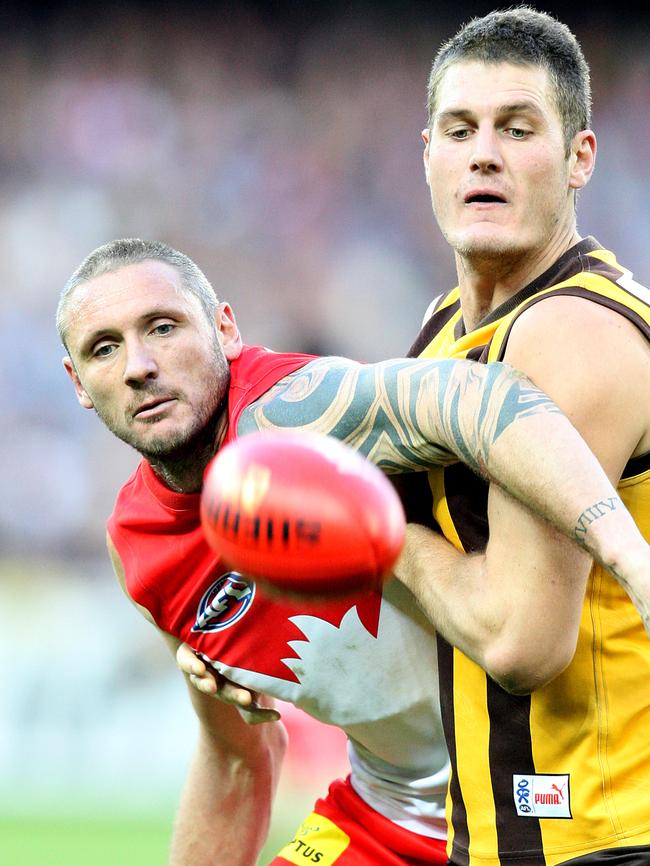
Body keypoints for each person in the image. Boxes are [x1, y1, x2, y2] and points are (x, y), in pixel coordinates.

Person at [57, 238, 648, 866]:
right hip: (385, 814)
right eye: (104, 348)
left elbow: (480, 398)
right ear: (79, 385)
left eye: (163, 327)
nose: (138, 365)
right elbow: (236, 757)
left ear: (225, 329)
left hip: (528, 801)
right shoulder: (139, 546)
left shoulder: (299, 416)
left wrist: (632, 558)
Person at [393, 8, 650, 866]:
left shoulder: (575, 330)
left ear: (580, 159)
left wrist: (369, 529)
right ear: (427, 154)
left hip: (606, 836)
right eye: (461, 130)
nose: (484, 154)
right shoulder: (441, 330)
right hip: (507, 841)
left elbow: (520, 643)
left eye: (518, 128)